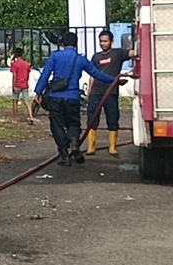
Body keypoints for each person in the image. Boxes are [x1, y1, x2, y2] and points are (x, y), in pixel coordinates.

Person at [35, 31, 116, 166]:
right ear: (76, 43)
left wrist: (38, 92)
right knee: (73, 123)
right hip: (72, 98)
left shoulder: (55, 56)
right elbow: (97, 74)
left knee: (57, 126)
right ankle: (74, 144)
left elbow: (45, 75)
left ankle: (64, 154)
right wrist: (115, 80)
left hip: (56, 97)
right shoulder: (80, 59)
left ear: (62, 43)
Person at [86, 30, 130, 157]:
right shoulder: (96, 57)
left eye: (105, 41)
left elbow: (133, 53)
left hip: (111, 93)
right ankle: (90, 147)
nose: (103, 44)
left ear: (111, 41)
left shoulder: (118, 54)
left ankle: (112, 147)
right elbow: (92, 75)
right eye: (101, 41)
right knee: (92, 119)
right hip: (96, 93)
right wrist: (90, 90)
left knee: (113, 118)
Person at [9, 47, 35, 125]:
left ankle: (15, 119)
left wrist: (13, 86)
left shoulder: (14, 64)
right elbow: (28, 75)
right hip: (24, 84)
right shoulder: (26, 64)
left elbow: (14, 76)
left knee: (15, 101)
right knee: (27, 101)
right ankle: (31, 117)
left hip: (17, 84)